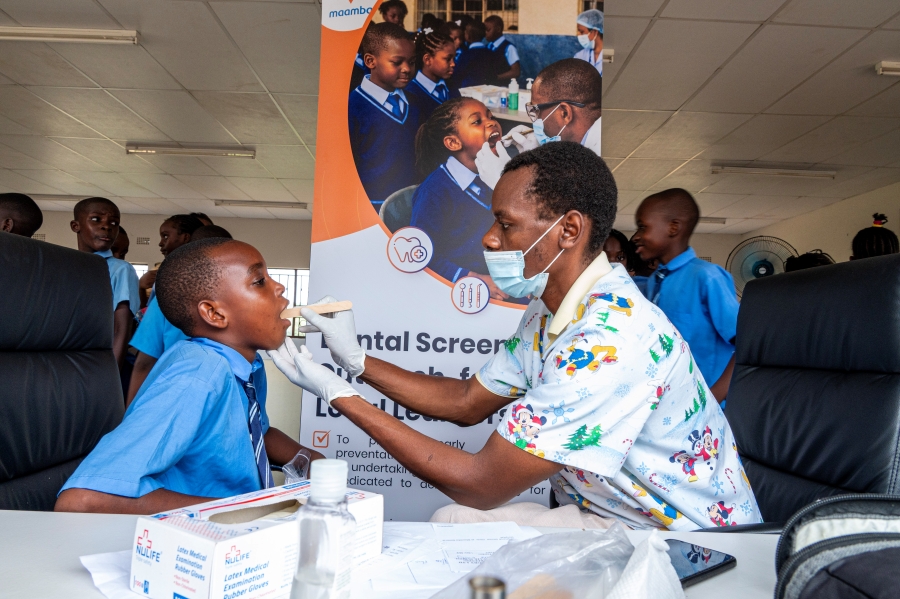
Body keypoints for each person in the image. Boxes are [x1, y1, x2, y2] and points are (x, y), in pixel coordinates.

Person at [270, 143, 760, 531]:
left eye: (506, 224)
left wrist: (338, 394)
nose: (489, 237)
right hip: (612, 516)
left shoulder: (610, 339)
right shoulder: (549, 312)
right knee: (453, 524)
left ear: (569, 230)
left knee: (461, 520)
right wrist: (356, 361)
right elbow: (466, 401)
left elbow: (481, 484)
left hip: (688, 539)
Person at [55, 238, 325, 514]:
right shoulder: (198, 374)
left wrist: (310, 458)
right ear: (214, 313)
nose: (279, 287)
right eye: (259, 281)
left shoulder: (246, 365)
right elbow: (83, 500)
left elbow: (251, 433)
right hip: (204, 532)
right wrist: (250, 510)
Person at [632, 189, 738, 403]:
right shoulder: (655, 281)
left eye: (643, 227)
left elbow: (747, 345)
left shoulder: (707, 277)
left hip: (707, 408)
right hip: (672, 405)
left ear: (673, 228)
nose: (636, 236)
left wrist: (712, 398)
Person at [409, 98, 505, 298]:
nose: (491, 123)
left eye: (491, 116)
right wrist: (473, 278)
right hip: (464, 289)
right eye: (477, 121)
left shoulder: (495, 174)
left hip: (501, 277)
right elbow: (421, 254)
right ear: (453, 143)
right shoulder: (434, 192)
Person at [127, 225, 233, 405]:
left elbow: (144, 363)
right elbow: (144, 363)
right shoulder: (165, 300)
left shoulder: (166, 300)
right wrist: (131, 413)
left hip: (183, 399)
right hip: (178, 400)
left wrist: (130, 411)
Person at [474, 59, 602, 188]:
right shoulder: (589, 139)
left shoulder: (602, 156)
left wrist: (505, 183)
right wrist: (543, 159)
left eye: (536, 110)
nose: (534, 120)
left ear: (564, 113)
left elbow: (570, 197)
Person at [349, 22, 421, 211]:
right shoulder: (352, 107)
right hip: (372, 207)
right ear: (370, 61)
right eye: (397, 62)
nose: (407, 69)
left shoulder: (415, 102)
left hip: (411, 202)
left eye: (411, 62)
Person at [70, 197, 139, 371]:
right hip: (68, 359)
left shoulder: (120, 269)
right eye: (96, 219)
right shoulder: (67, 265)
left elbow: (120, 329)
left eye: (114, 223)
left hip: (99, 362)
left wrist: (110, 375)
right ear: (75, 226)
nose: (106, 226)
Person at [138, 214, 204, 309]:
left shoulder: (198, 274)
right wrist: (141, 288)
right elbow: (149, 313)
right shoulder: (164, 273)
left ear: (185, 238)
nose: (160, 243)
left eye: (165, 236)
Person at [406, 29, 460, 122]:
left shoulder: (451, 86)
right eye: (448, 59)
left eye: (454, 58)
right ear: (427, 60)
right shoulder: (411, 93)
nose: (453, 64)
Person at [451, 21, 506, 89]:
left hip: (468, 89)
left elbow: (457, 75)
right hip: (487, 89)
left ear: (467, 36)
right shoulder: (491, 53)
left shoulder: (465, 55)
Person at [484, 15, 520, 83]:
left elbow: (516, 72)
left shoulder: (509, 48)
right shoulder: (487, 47)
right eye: (484, 30)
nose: (485, 33)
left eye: (488, 30)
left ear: (498, 29)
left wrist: (497, 77)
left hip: (502, 87)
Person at [574, 9, 604, 76]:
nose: (578, 35)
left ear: (595, 32)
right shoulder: (580, 56)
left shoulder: (612, 56)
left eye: (582, 32)